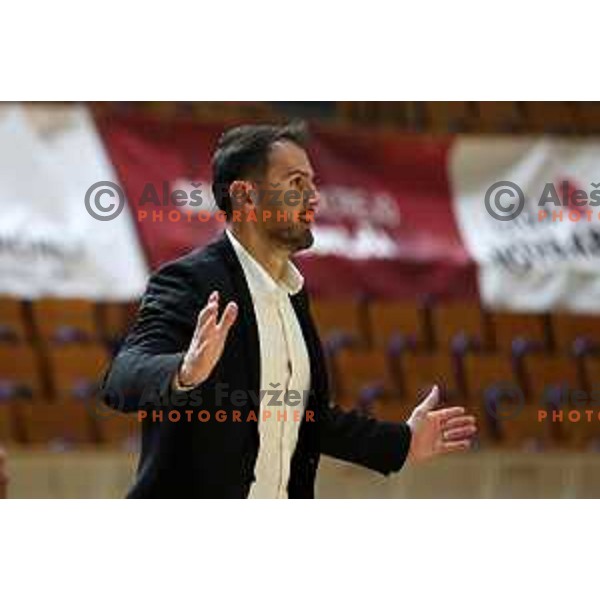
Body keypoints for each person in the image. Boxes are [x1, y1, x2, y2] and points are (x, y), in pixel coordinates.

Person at [101, 122, 477, 499]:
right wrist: (183, 371)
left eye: (312, 183)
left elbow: (305, 417)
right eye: (296, 183)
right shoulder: (190, 281)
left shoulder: (291, 293)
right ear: (245, 196)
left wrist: (403, 442)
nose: (314, 197)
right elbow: (122, 377)